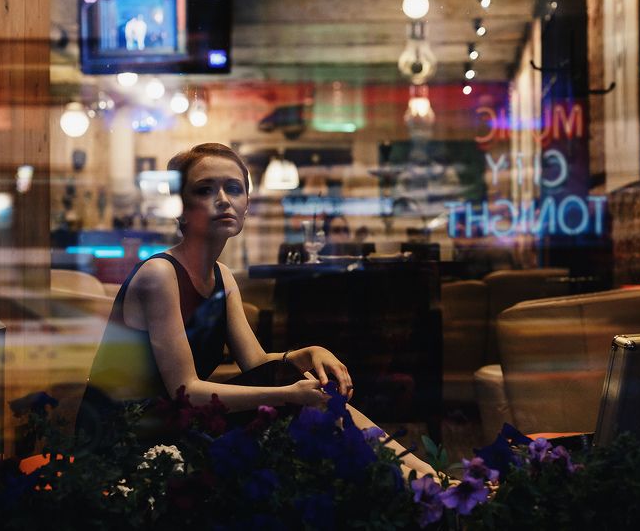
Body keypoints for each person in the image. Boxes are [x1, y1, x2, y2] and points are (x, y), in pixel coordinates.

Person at [76, 143, 434, 477]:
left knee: (308, 394)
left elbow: (258, 365)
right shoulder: (160, 275)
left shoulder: (222, 277)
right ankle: (419, 478)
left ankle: (416, 475)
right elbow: (186, 391)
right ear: (181, 207)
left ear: (246, 203)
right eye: (204, 190)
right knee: (297, 398)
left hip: (176, 424)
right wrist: (287, 394)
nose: (222, 200)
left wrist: (308, 353)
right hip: (127, 442)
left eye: (233, 189)